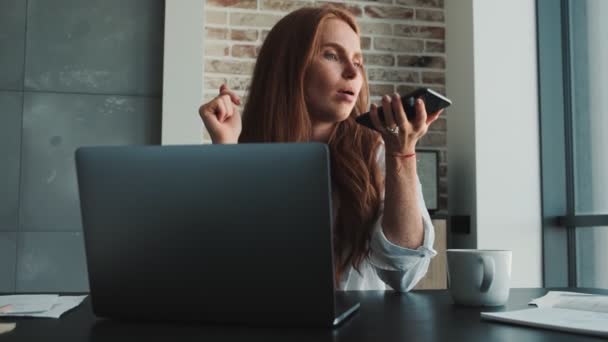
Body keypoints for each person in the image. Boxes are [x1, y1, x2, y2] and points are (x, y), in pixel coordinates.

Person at [198, 5, 442, 292]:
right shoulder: (244, 150)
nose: (352, 72)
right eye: (332, 55)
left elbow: (404, 274)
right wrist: (227, 152)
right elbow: (222, 269)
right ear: (290, 66)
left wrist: (402, 155)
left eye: (358, 61)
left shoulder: (378, 151)